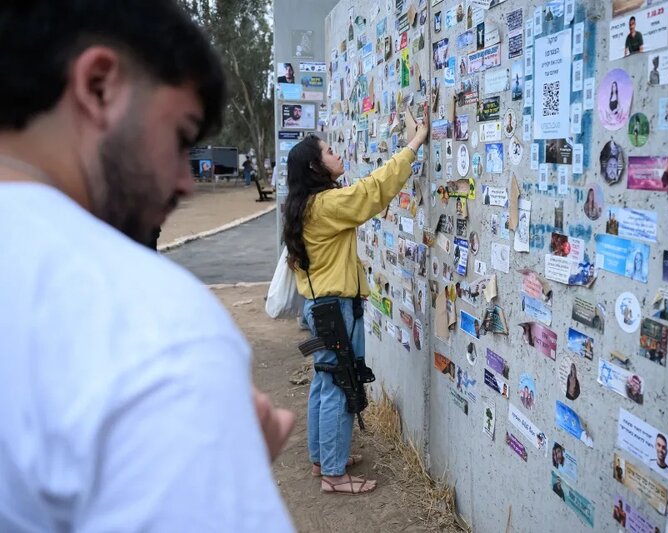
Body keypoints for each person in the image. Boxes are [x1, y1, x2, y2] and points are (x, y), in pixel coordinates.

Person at [0, 1, 295, 530]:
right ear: (98, 86)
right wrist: (217, 478)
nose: (185, 181)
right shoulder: (151, 323)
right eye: (181, 137)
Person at [283, 108, 429, 495]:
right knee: (339, 385)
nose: (337, 154)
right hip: (336, 308)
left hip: (320, 307)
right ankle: (333, 474)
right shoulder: (326, 206)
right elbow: (371, 192)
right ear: (317, 166)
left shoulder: (303, 207)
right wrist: (414, 144)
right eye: (330, 151)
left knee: (325, 380)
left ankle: (323, 459)